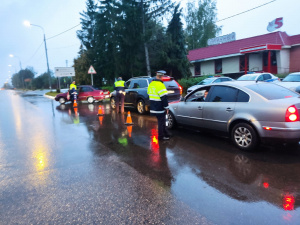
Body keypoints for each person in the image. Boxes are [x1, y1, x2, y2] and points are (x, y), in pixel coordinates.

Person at [147, 70, 170, 141]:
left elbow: (148, 93)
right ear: (161, 76)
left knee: (161, 121)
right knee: (161, 122)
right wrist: (167, 107)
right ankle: (161, 137)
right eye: (163, 76)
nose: (163, 78)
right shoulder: (160, 85)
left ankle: (166, 134)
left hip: (153, 106)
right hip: (160, 107)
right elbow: (164, 98)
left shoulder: (151, 84)